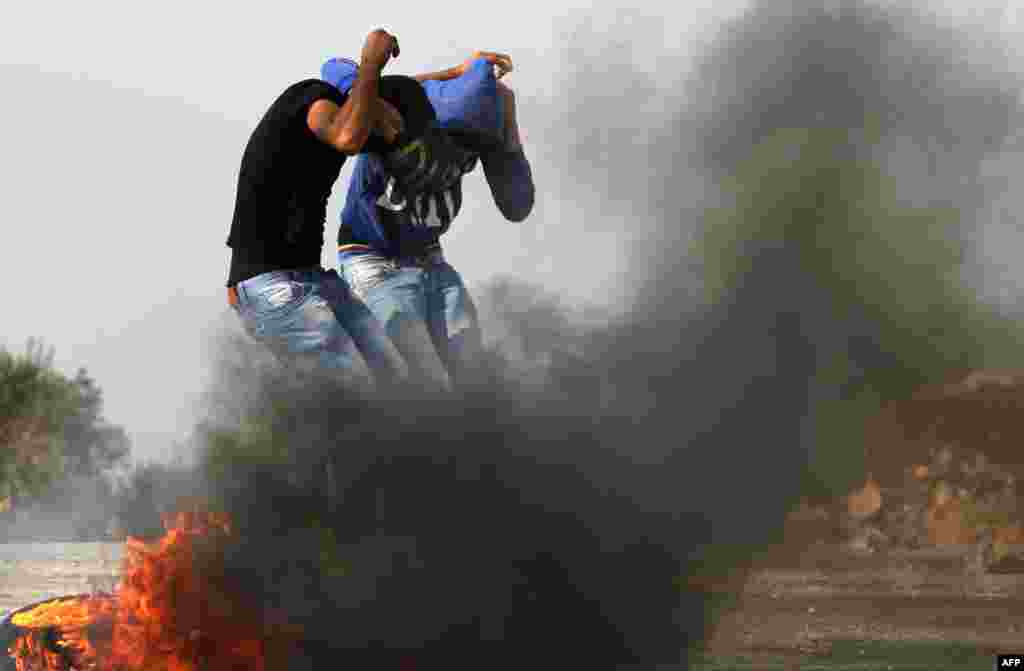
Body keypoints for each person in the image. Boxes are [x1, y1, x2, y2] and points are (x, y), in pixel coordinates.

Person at [224, 29, 467, 389]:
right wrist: (371, 60)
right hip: (270, 287)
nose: (392, 135)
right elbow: (348, 135)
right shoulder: (311, 99)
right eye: (392, 131)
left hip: (313, 278)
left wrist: (454, 73)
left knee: (406, 391)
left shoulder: (354, 108)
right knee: (364, 404)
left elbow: (380, 100)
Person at [321, 52, 535, 390]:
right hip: (375, 263)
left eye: (475, 143)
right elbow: (337, 70)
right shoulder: (397, 121)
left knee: (475, 381)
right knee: (423, 386)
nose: (465, 151)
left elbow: (517, 205)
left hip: (433, 264)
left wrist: (508, 116)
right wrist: (451, 73)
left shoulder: (480, 133)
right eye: (458, 139)